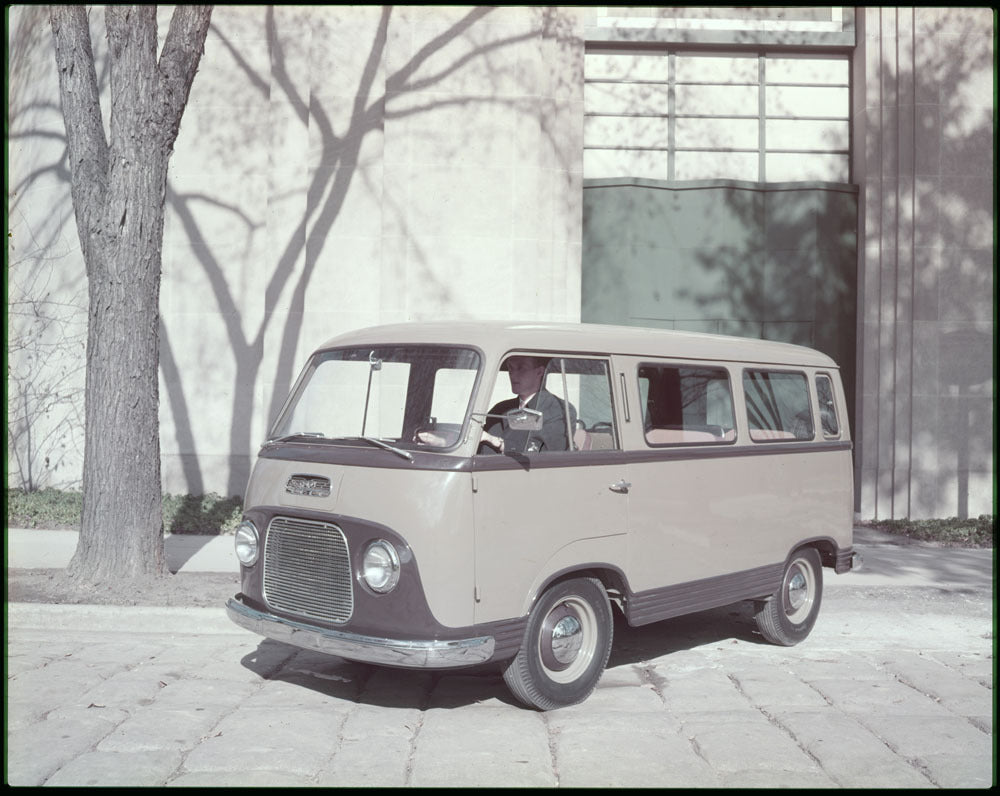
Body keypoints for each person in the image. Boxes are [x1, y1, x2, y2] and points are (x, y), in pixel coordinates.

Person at [480, 356, 576, 454]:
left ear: (539, 372)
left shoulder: (560, 410)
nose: (513, 374)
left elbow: (546, 455)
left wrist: (499, 443)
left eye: (521, 368)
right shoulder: (500, 409)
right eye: (510, 368)